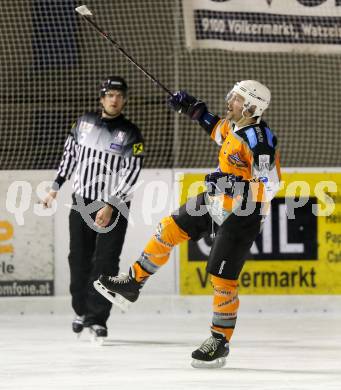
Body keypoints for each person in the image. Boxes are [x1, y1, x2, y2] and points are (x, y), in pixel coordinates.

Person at [94, 80, 281, 364]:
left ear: (252, 106)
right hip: (215, 200)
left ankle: (220, 340)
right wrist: (195, 110)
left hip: (244, 213)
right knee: (169, 229)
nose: (230, 101)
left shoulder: (260, 139)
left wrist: (234, 183)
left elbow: (270, 185)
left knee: (222, 278)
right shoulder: (234, 126)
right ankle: (133, 282)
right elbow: (216, 129)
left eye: (237, 99)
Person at [43, 76, 144, 340]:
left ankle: (98, 318)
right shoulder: (83, 123)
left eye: (119, 95)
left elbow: (131, 174)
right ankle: (82, 311)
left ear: (124, 99)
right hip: (82, 201)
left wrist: (111, 204)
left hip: (115, 205)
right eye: (110, 94)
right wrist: (55, 187)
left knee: (106, 262)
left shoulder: (132, 133)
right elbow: (69, 156)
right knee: (78, 258)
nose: (114, 99)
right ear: (101, 98)